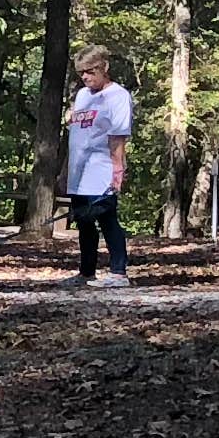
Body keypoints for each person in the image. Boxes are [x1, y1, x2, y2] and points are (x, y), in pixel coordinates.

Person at [64, 49, 135, 288]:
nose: (85, 77)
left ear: (104, 68)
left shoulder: (117, 96)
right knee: (83, 223)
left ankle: (118, 272)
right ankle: (86, 272)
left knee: (107, 220)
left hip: (101, 169)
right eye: (81, 73)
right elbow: (77, 135)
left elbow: (118, 137)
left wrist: (117, 171)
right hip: (79, 171)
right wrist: (65, 170)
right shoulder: (83, 95)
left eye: (90, 72)